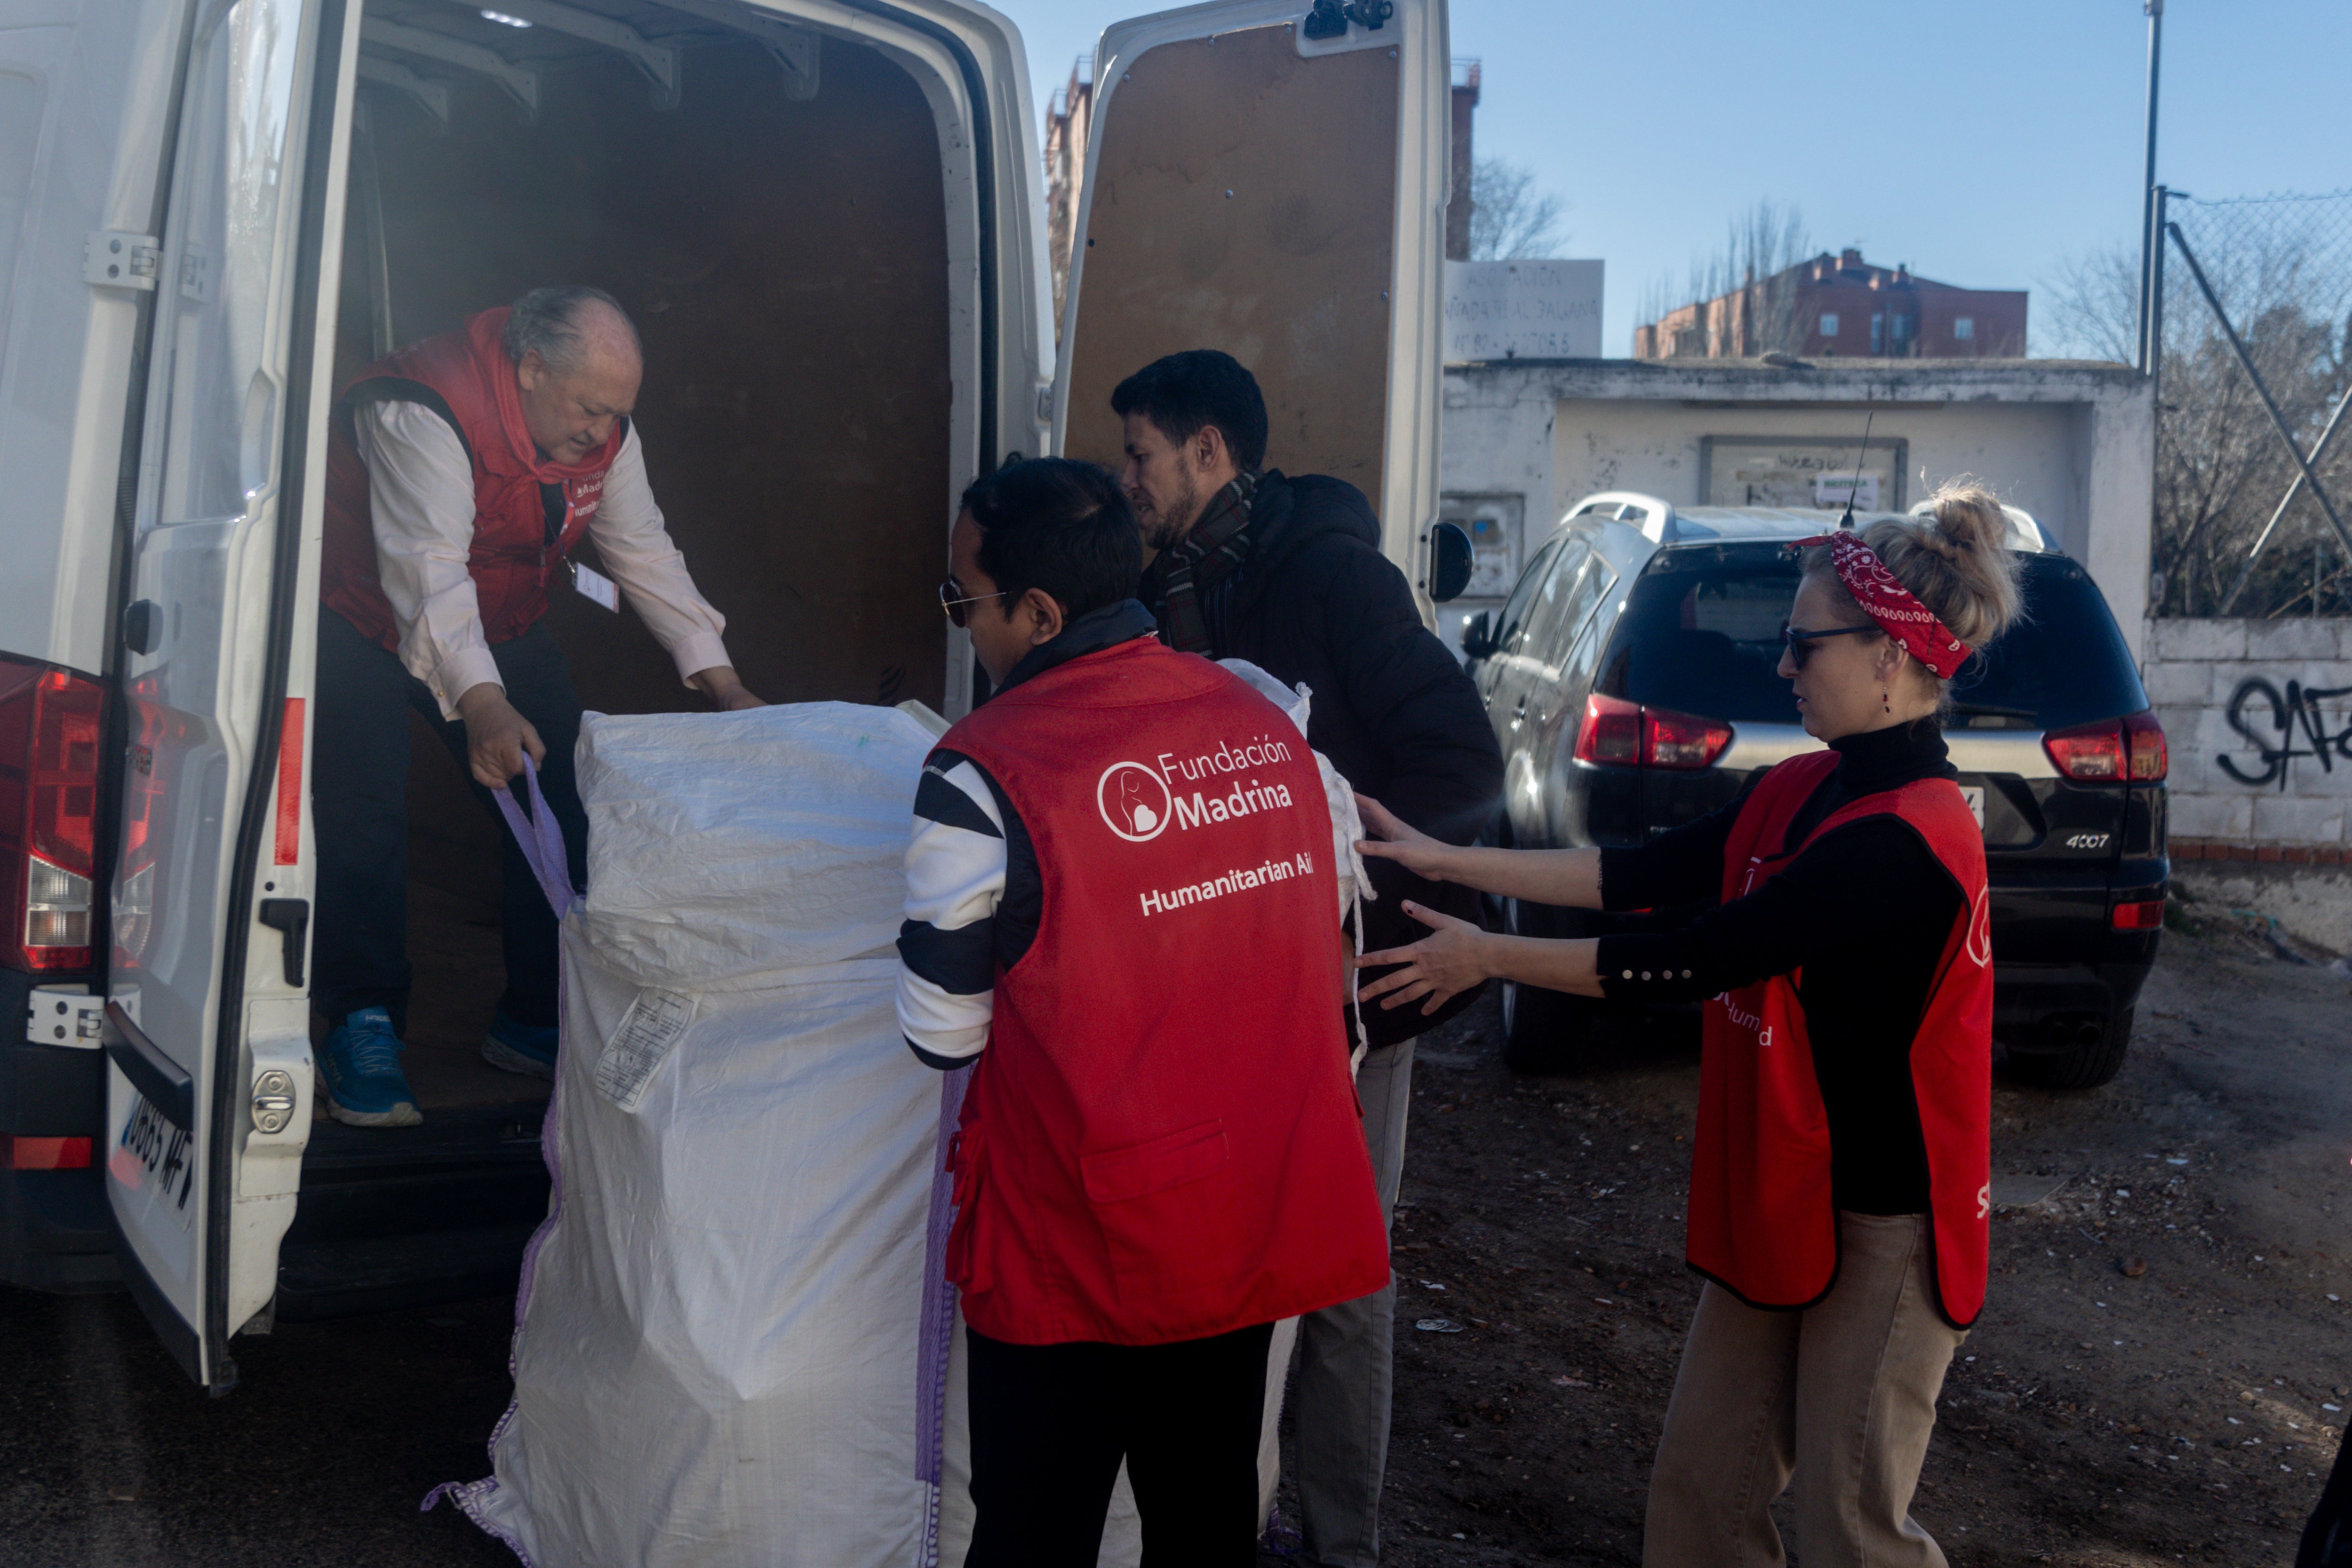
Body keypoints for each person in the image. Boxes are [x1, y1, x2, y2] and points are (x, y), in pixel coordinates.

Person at [1350, 485, 2024, 1567]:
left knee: (1852, 1526)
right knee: (1701, 1492)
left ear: (1892, 657)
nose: (1783, 666)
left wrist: (1485, 953)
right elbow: (1637, 874)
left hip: (1885, 1221)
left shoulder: (1909, 839)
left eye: (1803, 646)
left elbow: (1704, 951)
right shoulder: (1811, 786)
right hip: (1790, 1189)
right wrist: (1444, 857)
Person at [893, 458, 1389, 1566]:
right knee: (1207, 1520)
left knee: (1033, 1532)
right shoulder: (1274, 734)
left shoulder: (980, 775)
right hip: (1250, 1209)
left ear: (1038, 613)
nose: (961, 623)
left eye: (960, 600)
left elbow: (940, 1033)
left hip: (1077, 1229)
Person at [1111, 349, 1502, 1568]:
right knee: (1240, 1249)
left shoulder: (1332, 578)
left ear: (1210, 452)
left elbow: (1464, 763)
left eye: (1141, 455)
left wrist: (1358, 934)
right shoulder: (1177, 581)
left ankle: (1343, 1542)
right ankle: (1248, 1504)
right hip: (1241, 985)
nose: (1126, 479)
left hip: (1360, 985)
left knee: (1341, 1270)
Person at [312, 286, 763, 1128]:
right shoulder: (421, 406)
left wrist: (721, 680)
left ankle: (532, 1018)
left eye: (618, 412)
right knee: (361, 821)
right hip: (362, 620)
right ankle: (359, 1023)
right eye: (592, 408)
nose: (604, 431)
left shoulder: (605, 431)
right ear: (529, 369)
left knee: (566, 804)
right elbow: (429, 578)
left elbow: (639, 549)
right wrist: (483, 705)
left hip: (508, 620)